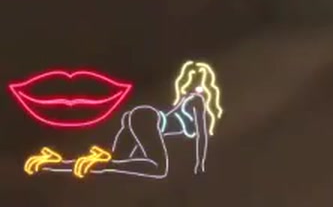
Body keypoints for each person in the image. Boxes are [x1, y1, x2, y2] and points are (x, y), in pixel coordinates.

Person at [22, 60, 220, 179]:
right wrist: (200, 165)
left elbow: (201, 133)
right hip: (146, 119)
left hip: (139, 118)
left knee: (113, 161)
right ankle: (100, 163)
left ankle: (51, 162)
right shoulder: (196, 101)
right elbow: (202, 135)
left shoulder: (184, 99)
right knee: (159, 168)